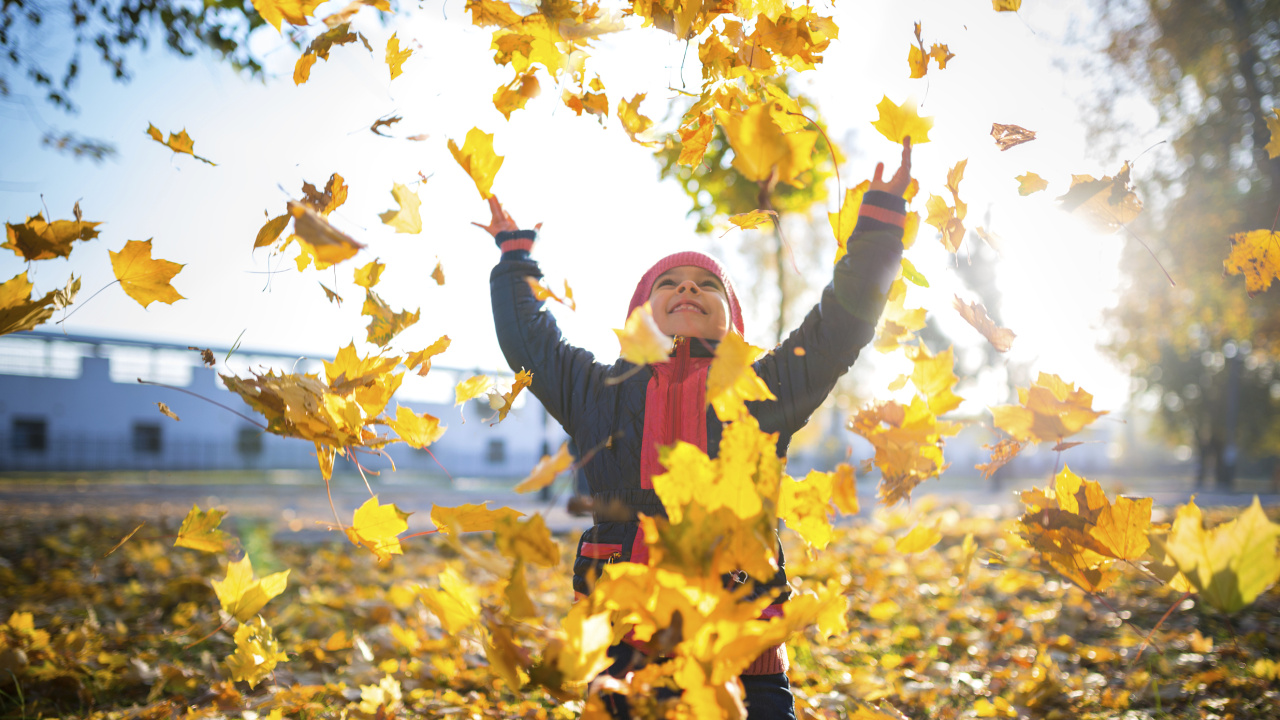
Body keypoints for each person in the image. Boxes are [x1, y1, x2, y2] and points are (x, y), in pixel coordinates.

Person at [477, 139, 913, 718]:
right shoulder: (592, 389)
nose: (688, 289)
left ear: (729, 317)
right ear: (641, 312)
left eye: (706, 285)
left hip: (741, 649)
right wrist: (515, 260)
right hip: (621, 642)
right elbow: (531, 341)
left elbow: (838, 327)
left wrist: (879, 229)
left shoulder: (763, 388)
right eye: (670, 283)